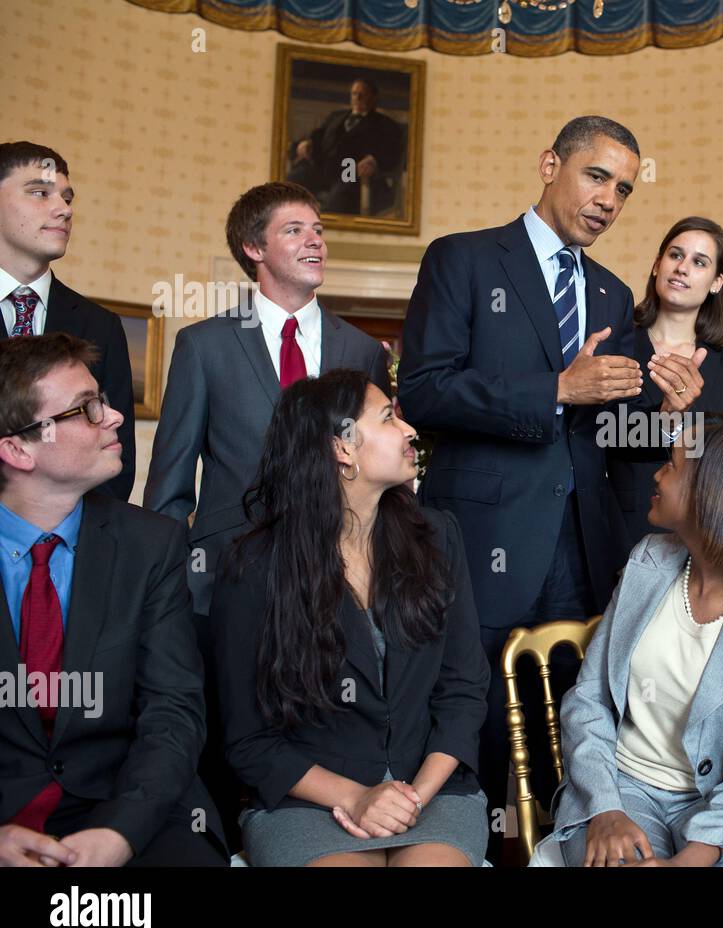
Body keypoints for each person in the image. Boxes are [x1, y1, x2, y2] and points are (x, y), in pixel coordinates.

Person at [396, 115, 705, 861]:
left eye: (624, 190)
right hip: (482, 544)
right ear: (549, 165)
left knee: (575, 724)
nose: (608, 199)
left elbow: (613, 429)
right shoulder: (463, 259)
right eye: (596, 176)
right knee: (472, 725)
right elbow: (425, 390)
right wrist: (555, 389)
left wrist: (667, 414)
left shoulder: (611, 290)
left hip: (586, 548)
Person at [144, 181, 388, 844]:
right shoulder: (204, 345)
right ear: (254, 247)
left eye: (318, 228)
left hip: (335, 588)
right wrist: (175, 593)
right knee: (227, 744)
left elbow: (380, 476)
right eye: (294, 230)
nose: (316, 239)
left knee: (319, 734)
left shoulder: (363, 352)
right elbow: (169, 487)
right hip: (224, 585)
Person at [212, 369, 490, 867]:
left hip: (433, 788)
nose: (409, 431)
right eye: (388, 418)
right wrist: (356, 797)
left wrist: (415, 796)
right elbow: (249, 740)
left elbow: (464, 689)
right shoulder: (255, 565)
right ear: (342, 449)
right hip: (309, 799)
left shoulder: (438, 536)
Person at [553, 415, 723, 866]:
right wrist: (605, 808)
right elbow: (588, 701)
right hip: (622, 786)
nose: (656, 474)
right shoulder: (648, 560)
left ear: (712, 495)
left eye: (672, 465)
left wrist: (692, 858)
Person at [0, 333, 224, 867]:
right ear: (17, 448)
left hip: (130, 800)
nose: (115, 417)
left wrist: (120, 833)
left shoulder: (151, 544)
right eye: (87, 409)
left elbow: (173, 711)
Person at [610, 216, 723, 548]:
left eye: (699, 262)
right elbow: (604, 436)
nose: (682, 268)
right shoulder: (617, 347)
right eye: (675, 255)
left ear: (717, 282)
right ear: (656, 265)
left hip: (712, 539)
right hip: (623, 532)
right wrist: (666, 417)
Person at [0, 141, 134, 501]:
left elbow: (115, 465)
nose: (62, 209)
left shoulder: (101, 326)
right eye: (40, 193)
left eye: (67, 198)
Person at [286, 77, 406, 215]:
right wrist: (307, 142)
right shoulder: (336, 117)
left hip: (351, 173)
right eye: (354, 94)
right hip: (323, 168)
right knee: (292, 181)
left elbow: (391, 151)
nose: (357, 98)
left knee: (338, 200)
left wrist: (374, 160)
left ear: (373, 98)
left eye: (363, 94)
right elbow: (317, 136)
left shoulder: (385, 124)